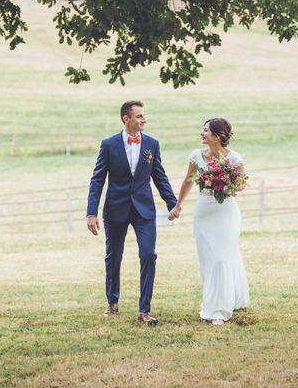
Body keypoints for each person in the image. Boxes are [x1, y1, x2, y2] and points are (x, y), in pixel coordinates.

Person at [86, 100, 178, 325]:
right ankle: (112, 303)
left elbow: (159, 176)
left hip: (144, 210)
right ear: (126, 119)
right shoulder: (108, 144)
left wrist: (172, 203)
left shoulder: (152, 144)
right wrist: (91, 212)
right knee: (113, 257)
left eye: (144, 116)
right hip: (115, 209)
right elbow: (97, 179)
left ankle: (144, 310)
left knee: (148, 254)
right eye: (139, 116)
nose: (143, 119)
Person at [169, 118, 250, 325]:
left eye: (205, 131)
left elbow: (241, 185)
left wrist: (224, 185)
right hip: (204, 212)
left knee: (223, 257)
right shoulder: (197, 156)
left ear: (217, 134)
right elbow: (188, 181)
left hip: (226, 213)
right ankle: (213, 300)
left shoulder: (234, 158)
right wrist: (178, 205)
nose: (202, 134)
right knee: (209, 260)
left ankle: (219, 311)